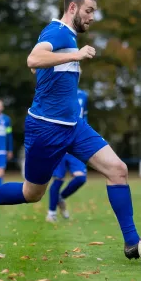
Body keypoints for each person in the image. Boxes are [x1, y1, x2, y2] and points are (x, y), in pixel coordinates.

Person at [0, 0, 141, 259]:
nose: (92, 17)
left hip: (74, 126)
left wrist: (52, 64)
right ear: (72, 8)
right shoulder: (57, 31)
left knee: (118, 170)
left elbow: (40, 65)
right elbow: (33, 58)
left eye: (94, 12)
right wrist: (75, 55)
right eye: (89, 11)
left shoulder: (67, 36)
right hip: (46, 129)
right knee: (32, 194)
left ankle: (133, 244)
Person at [47, 87, 89, 222]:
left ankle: (61, 197)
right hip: (59, 144)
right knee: (58, 179)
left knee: (81, 178)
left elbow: (84, 117)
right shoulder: (57, 90)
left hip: (76, 144)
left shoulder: (83, 95)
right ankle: (51, 213)